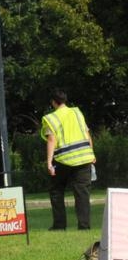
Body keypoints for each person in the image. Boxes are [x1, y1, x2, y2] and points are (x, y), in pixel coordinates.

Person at [41, 88, 95, 231]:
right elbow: (86, 133)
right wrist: (92, 153)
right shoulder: (77, 112)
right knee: (82, 193)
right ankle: (84, 226)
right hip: (84, 158)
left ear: (53, 102)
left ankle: (59, 225)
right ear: (65, 100)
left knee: (56, 190)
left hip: (63, 160)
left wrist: (49, 162)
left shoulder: (50, 118)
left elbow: (52, 139)